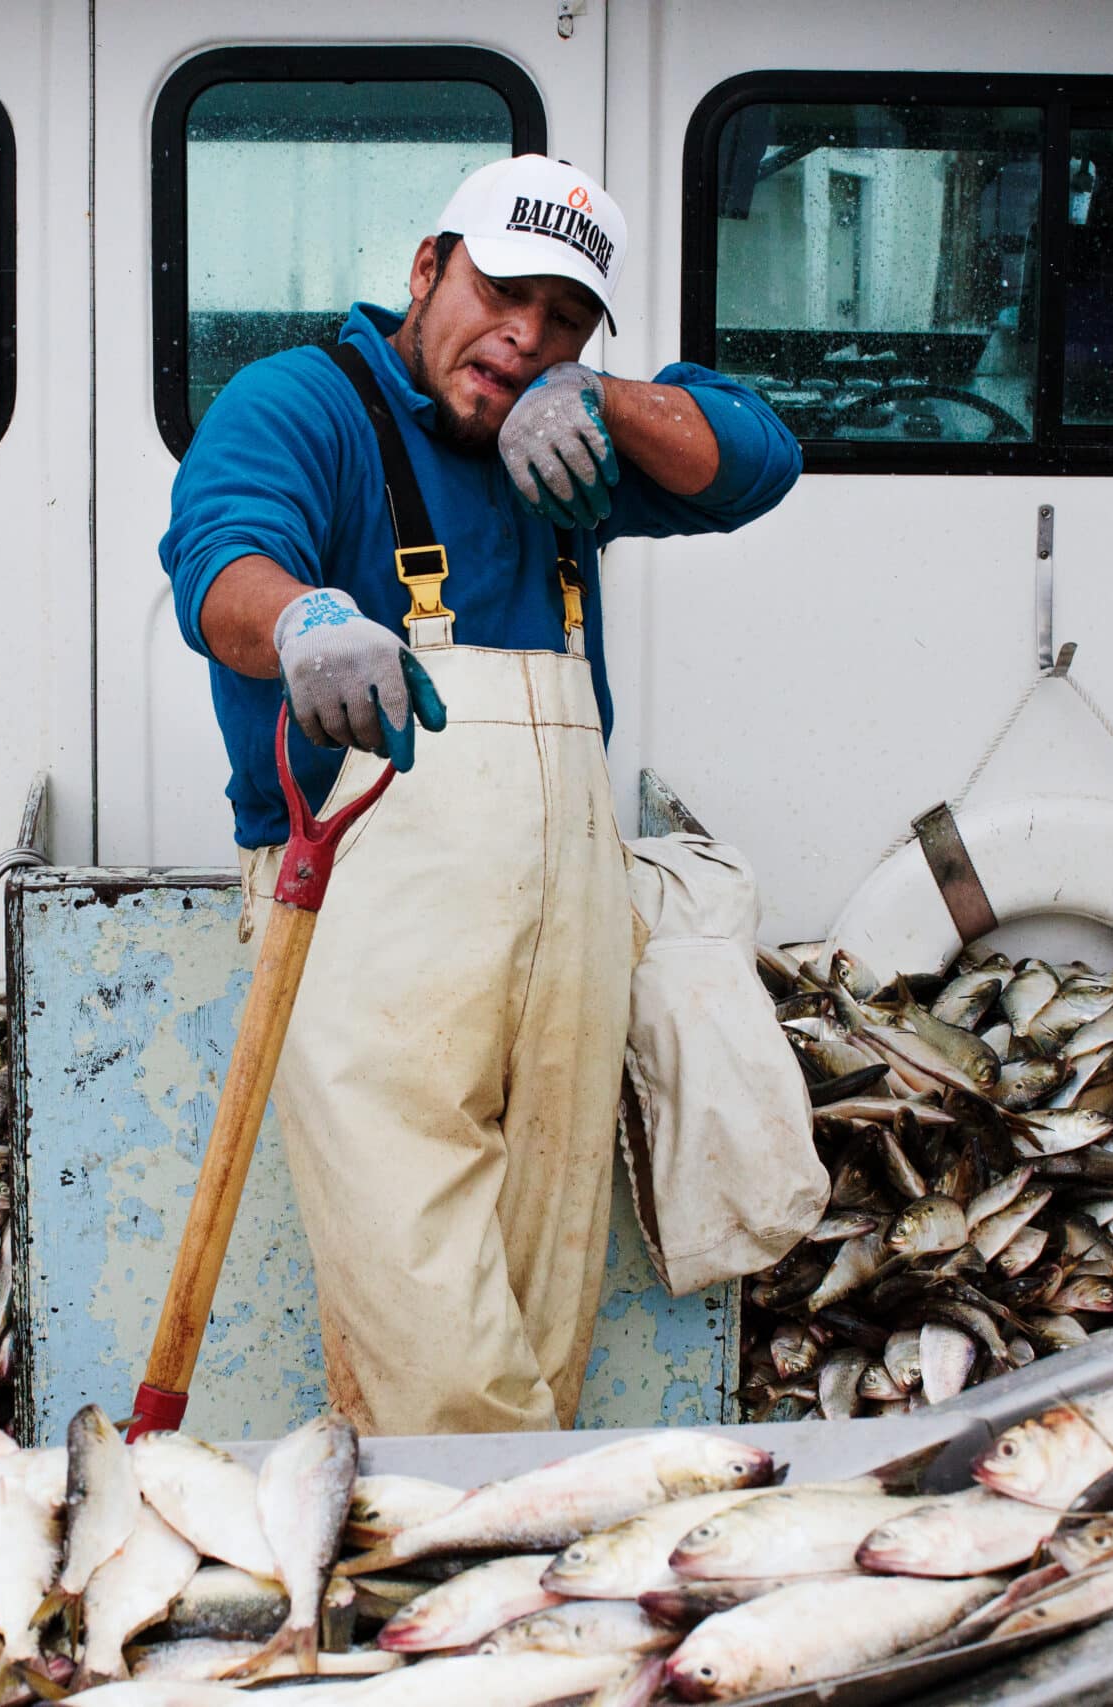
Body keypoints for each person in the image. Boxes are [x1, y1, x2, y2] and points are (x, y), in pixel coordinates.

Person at [158, 155, 802, 1434]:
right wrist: (300, 624)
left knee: (546, 1287)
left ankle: (509, 1569)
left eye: (562, 319)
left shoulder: (560, 445)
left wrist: (598, 403)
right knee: (426, 1318)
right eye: (502, 294)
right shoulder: (304, 403)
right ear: (425, 271)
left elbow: (759, 461)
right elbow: (219, 559)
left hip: (565, 910)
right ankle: (466, 1570)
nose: (522, 336)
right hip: (361, 910)